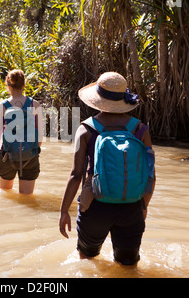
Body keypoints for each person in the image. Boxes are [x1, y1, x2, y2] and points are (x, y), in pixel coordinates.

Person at [59, 71, 156, 266]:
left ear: (97, 100)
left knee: (86, 262)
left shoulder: (86, 129)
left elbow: (76, 174)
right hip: (131, 207)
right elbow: (151, 175)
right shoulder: (140, 130)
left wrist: (63, 212)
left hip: (95, 205)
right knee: (128, 268)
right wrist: (143, 205)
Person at [0, 69, 43, 195]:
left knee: (6, 196)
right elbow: (40, 136)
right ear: (24, 84)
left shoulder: (2, 106)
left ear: (8, 86)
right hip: (30, 157)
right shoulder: (35, 105)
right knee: (27, 198)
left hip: (7, 157)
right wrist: (31, 151)